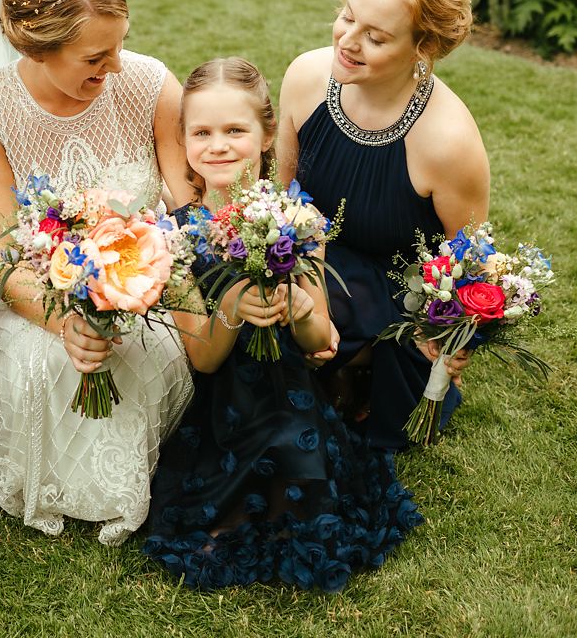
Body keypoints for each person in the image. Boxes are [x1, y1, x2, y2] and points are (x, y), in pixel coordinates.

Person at [143, 57, 423, 592]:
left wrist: (299, 309)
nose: (218, 145)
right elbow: (203, 358)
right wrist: (233, 305)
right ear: (183, 140)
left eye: (235, 130)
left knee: (296, 448)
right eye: (202, 132)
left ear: (267, 134)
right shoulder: (171, 235)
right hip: (217, 397)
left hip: (292, 387)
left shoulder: (296, 221)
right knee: (230, 487)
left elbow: (322, 345)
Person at [0, 0, 194, 546]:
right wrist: (66, 321)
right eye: (95, 56)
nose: (115, 66)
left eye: (119, 45)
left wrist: (145, 285)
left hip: (147, 282)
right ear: (36, 49)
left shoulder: (147, 84)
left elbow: (190, 206)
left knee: (142, 355)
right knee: (44, 367)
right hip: (36, 296)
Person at [276, 0, 490, 449]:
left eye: (375, 37)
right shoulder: (306, 78)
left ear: (423, 46)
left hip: (394, 288)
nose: (348, 41)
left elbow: (471, 258)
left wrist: (449, 338)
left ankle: (360, 369)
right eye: (347, 17)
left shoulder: (448, 142)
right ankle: (333, 372)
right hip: (313, 259)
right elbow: (282, 196)